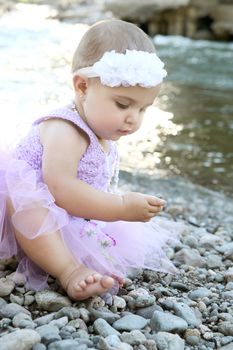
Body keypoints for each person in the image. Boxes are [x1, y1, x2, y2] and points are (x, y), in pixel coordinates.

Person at [0, 19, 182, 301]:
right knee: (29, 202)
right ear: (82, 86)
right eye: (123, 104)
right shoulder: (66, 130)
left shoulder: (103, 131)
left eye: (144, 108)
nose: (133, 118)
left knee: (96, 228)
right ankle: (70, 271)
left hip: (65, 213)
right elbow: (61, 190)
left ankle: (91, 261)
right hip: (20, 216)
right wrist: (121, 207)